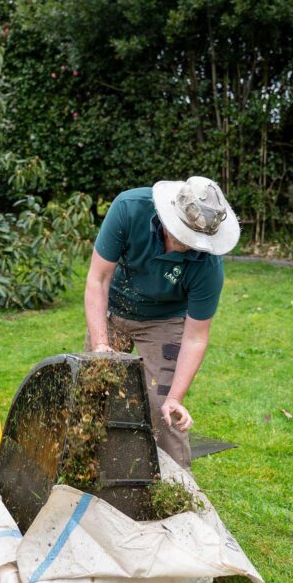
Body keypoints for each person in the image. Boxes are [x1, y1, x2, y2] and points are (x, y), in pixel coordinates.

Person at [84, 177, 240, 469]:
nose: (191, 245)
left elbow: (195, 337)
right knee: (92, 392)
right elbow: (98, 279)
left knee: (163, 409)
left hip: (163, 319)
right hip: (113, 306)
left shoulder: (208, 266)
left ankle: (179, 489)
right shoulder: (130, 208)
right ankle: (83, 469)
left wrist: (175, 398)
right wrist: (101, 344)